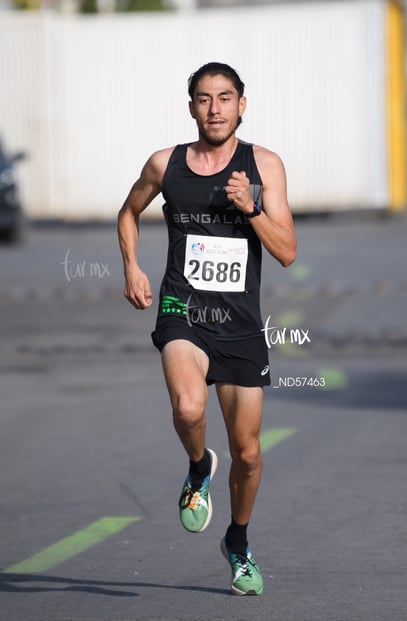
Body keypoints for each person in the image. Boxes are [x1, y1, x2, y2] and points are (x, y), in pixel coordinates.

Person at [117, 61, 296, 596]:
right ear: (190, 105)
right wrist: (131, 264)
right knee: (188, 408)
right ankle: (198, 468)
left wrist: (253, 206)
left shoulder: (264, 165)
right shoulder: (165, 164)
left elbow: (287, 251)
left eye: (224, 98)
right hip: (183, 311)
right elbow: (128, 213)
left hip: (239, 325)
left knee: (248, 454)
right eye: (203, 98)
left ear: (242, 105)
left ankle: (237, 542)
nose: (213, 108)